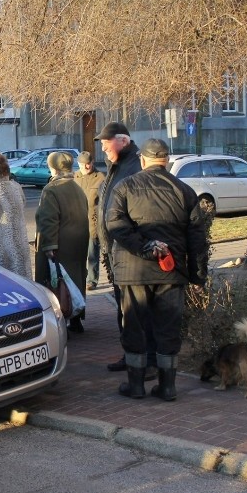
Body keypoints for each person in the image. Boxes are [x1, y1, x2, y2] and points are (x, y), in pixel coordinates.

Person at [106, 138, 208, 400]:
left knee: (135, 327)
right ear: (167, 161)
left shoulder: (125, 187)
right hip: (171, 271)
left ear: (143, 161)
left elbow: (115, 225)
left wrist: (144, 247)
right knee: (167, 329)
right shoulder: (184, 190)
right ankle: (167, 387)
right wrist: (197, 274)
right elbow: (198, 237)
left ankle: (136, 385)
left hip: (133, 270)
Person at [95, 122, 156, 377]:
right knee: (124, 309)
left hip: (129, 253)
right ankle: (130, 355)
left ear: (123, 140)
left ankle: (148, 361)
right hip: (114, 251)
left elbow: (139, 212)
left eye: (105, 142)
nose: (102, 147)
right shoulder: (116, 166)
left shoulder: (134, 167)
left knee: (139, 311)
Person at [34, 151, 89, 332]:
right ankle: (76, 320)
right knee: (76, 280)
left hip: (60, 244)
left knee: (57, 283)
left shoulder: (52, 189)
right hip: (78, 243)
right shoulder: (77, 186)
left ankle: (62, 321)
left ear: (53, 168)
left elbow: (49, 219)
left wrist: (49, 245)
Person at [74, 151, 105, 290]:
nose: (85, 167)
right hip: (77, 223)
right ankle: (79, 277)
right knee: (78, 253)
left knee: (92, 254)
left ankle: (92, 280)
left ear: (92, 162)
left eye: (88, 164)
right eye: (82, 165)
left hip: (93, 222)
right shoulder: (75, 177)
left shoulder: (100, 178)